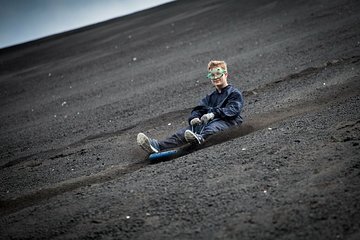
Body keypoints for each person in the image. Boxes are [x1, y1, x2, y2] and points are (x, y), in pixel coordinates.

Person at [137, 60, 244, 154]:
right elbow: (199, 109)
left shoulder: (234, 93)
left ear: (226, 74)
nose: (215, 77)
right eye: (212, 75)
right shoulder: (210, 97)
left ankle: (200, 139)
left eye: (218, 74)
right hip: (208, 123)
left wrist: (213, 114)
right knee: (184, 132)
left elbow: (233, 110)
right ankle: (157, 146)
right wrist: (194, 118)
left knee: (212, 127)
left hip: (229, 123)